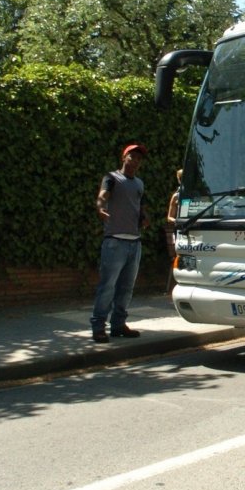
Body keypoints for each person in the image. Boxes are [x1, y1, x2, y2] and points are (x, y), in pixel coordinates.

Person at [90, 143, 150, 343]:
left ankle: (118, 325)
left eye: (139, 159)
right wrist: (100, 207)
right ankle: (99, 326)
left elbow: (139, 205)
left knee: (126, 287)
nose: (135, 161)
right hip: (115, 241)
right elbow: (102, 195)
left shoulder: (139, 184)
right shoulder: (112, 178)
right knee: (107, 286)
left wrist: (144, 217)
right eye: (132, 156)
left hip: (135, 243)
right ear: (123, 157)